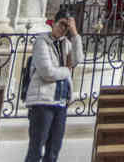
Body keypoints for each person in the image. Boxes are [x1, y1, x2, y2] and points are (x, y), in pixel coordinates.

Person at [24, 12, 83, 162]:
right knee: (36, 150)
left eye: (66, 26)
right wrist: (66, 70)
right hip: (42, 101)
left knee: (53, 151)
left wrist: (75, 34)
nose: (63, 28)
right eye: (61, 24)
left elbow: (77, 60)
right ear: (53, 23)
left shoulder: (66, 44)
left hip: (60, 102)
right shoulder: (41, 42)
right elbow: (47, 72)